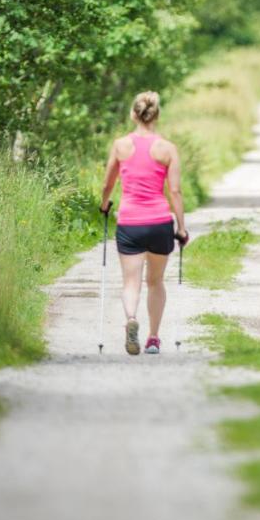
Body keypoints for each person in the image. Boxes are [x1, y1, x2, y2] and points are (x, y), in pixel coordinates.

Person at [100, 91, 189, 356]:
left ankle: (130, 320)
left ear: (133, 114)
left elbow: (108, 183)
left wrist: (105, 204)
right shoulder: (167, 148)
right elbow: (175, 191)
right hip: (159, 222)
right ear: (157, 115)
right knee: (156, 281)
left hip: (129, 222)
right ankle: (153, 338)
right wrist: (181, 227)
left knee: (131, 282)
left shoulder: (120, 146)